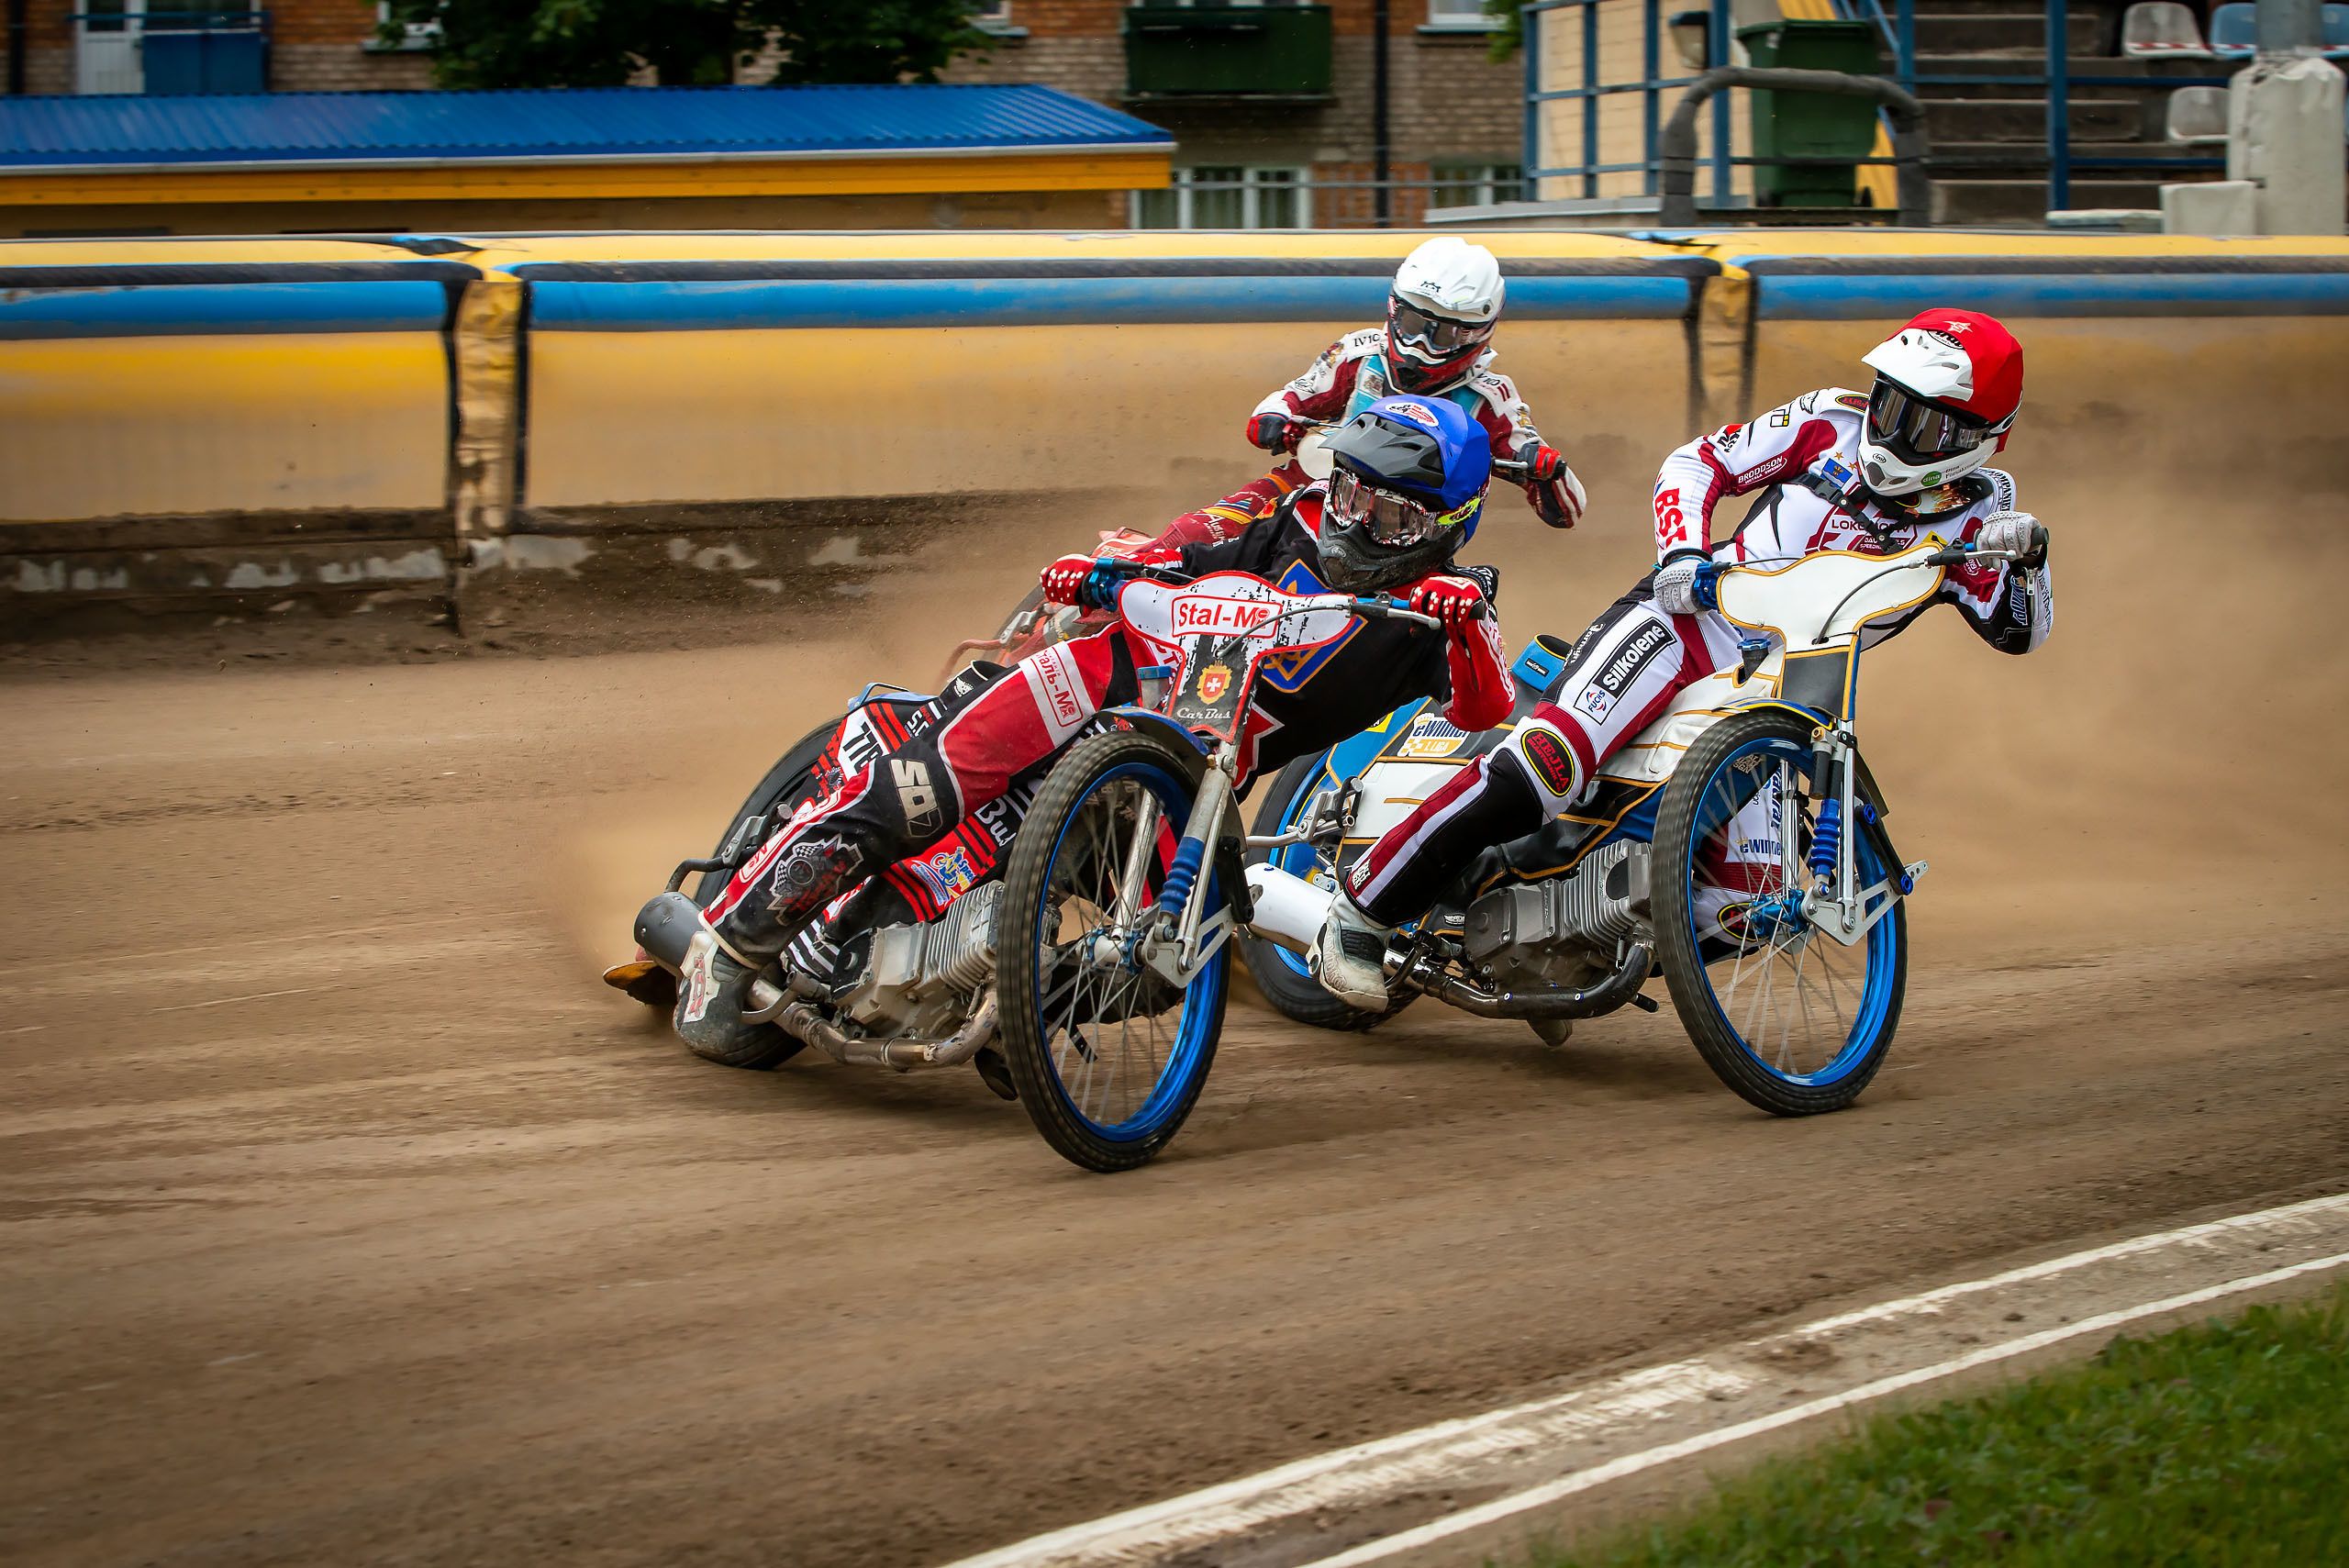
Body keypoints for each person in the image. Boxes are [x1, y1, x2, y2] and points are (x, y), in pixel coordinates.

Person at [667, 396, 1519, 1061]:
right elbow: (1186, 544)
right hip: (1103, 674)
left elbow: (1486, 714)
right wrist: (1105, 570)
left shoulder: (1446, 611)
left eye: (1393, 516)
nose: (1356, 522)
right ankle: (729, 945)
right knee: (918, 790)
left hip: (1195, 778)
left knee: (1163, 965)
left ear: (1448, 526)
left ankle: (1022, 1016)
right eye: (1351, 491)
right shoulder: (1288, 515)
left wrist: (1463, 623)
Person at [1308, 307, 2056, 1008]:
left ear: (1980, 438)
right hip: (1693, 620)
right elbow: (1698, 462)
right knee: (1549, 762)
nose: (1890, 427)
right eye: (1889, 399)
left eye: (1921, 420)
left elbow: (2015, 629)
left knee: (1746, 907)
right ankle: (1363, 910)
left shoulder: (1987, 509)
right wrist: (1685, 553)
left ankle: (1571, 940)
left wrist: (2029, 560)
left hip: (1794, 678)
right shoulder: (1831, 419)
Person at [1156, 237, 1588, 548]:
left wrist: (1544, 470)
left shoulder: (1491, 397)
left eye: (1442, 335)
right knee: (1197, 535)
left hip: (1408, 533)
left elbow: (1567, 509)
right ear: (1395, 308)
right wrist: (1275, 420)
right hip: (1311, 487)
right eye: (1415, 326)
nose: (1420, 346)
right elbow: (1292, 396)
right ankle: (1128, 583)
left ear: (1475, 333)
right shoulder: (1359, 353)